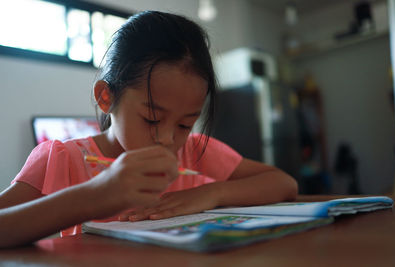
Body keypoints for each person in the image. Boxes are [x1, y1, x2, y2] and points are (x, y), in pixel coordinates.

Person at [0, 11, 297, 248]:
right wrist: (94, 196)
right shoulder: (62, 159)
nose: (169, 140)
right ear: (107, 97)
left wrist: (214, 193)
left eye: (185, 124)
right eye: (152, 120)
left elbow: (283, 183)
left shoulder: (194, 152)